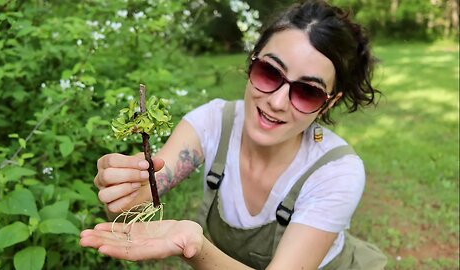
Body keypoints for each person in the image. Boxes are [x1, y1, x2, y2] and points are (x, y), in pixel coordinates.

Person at [80, 0, 388, 269]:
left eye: (308, 91)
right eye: (270, 72)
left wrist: (195, 247)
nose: (277, 102)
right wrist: (122, 186)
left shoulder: (336, 171)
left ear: (329, 103)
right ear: (252, 60)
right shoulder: (213, 122)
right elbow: (138, 198)